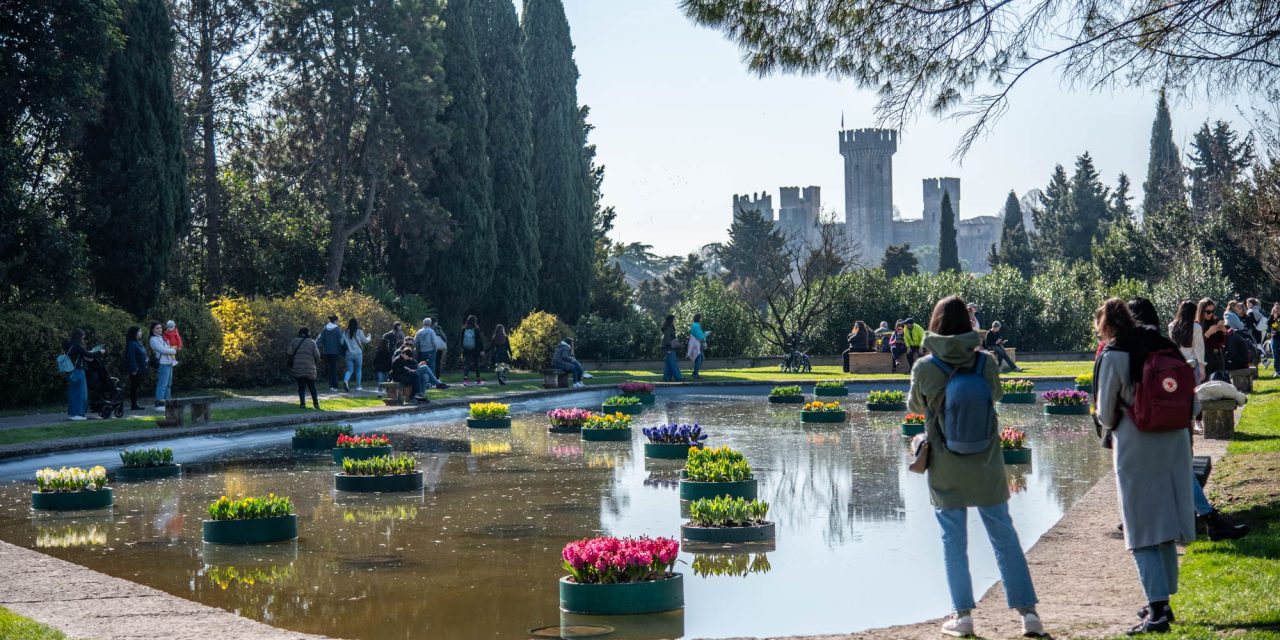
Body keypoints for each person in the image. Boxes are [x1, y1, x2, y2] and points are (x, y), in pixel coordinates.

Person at [907, 296, 1042, 638]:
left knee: (953, 540)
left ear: (934, 325)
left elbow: (914, 405)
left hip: (945, 465)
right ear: (969, 326)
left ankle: (963, 617)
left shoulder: (925, 367)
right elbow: (995, 396)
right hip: (986, 462)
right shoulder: (985, 362)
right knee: (1004, 535)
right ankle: (1028, 616)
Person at [1094, 297, 1196, 634]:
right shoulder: (1163, 345)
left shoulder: (1114, 353)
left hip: (1136, 442)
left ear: (1106, 325)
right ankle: (1164, 601)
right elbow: (1192, 401)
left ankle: (1157, 611)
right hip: (1175, 441)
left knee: (1141, 530)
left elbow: (1106, 412)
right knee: (1165, 523)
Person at [1128, 298, 1248, 543]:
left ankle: (1203, 518)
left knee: (1172, 472)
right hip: (1171, 419)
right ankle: (1208, 519)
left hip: (1143, 424)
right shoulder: (1164, 347)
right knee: (1180, 471)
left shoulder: (1129, 349)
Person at [1168, 301, 1205, 382]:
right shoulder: (1196, 327)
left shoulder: (1171, 326)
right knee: (1195, 390)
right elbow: (1199, 348)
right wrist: (1202, 366)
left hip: (1177, 362)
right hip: (1193, 363)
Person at [286, 327, 321, 409]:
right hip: (310, 367)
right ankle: (316, 404)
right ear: (308, 333)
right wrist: (314, 362)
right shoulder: (312, 342)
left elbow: (289, 352)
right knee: (312, 387)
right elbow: (317, 355)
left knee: (301, 387)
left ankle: (302, 404)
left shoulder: (294, 341)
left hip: (298, 367)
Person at [63, 329, 94, 421]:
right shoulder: (78, 346)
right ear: (79, 337)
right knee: (82, 393)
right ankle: (79, 414)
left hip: (69, 371)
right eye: (83, 337)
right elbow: (89, 354)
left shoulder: (68, 345)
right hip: (78, 371)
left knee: (73, 393)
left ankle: (72, 413)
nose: (83, 340)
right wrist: (100, 352)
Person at [149, 321, 177, 411]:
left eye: (160, 328)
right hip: (162, 363)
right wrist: (173, 351)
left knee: (169, 385)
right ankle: (159, 405)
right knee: (162, 384)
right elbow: (162, 350)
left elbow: (170, 346)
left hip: (169, 363)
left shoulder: (163, 337)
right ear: (153, 330)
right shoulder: (153, 339)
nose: (159, 330)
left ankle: (168, 403)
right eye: (157, 328)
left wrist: (172, 349)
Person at [1198, 298, 1228, 381]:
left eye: (1213, 311)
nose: (1211, 314)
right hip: (1206, 356)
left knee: (1220, 382)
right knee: (1206, 383)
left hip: (1218, 355)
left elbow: (1222, 341)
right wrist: (1208, 333)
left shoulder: (1215, 320)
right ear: (1201, 311)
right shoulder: (1197, 325)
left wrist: (1224, 332)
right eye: (1208, 312)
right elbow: (1198, 344)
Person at [340, 318, 371, 392]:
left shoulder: (345, 332)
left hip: (349, 353)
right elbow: (366, 341)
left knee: (349, 370)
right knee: (358, 370)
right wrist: (369, 336)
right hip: (358, 354)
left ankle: (346, 380)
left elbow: (341, 342)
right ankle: (358, 387)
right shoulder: (359, 332)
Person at [317, 314, 344, 391]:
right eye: (338, 321)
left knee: (330, 369)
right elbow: (341, 341)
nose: (338, 322)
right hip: (335, 352)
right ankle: (334, 386)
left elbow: (319, 339)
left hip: (326, 352)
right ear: (335, 321)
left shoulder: (324, 329)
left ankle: (330, 385)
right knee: (334, 369)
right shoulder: (337, 329)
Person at [124, 326, 147, 411]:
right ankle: (134, 403)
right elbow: (131, 357)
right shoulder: (131, 343)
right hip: (136, 369)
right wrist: (134, 369)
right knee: (134, 386)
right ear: (135, 333)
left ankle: (136, 403)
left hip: (141, 368)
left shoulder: (138, 342)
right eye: (140, 331)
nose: (141, 333)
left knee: (136, 386)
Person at [460, 315, 485, 385]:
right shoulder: (476, 329)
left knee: (467, 364)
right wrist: (481, 350)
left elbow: (461, 340)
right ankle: (478, 380)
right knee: (476, 364)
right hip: (475, 349)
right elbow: (479, 341)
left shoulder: (464, 329)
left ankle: (465, 379)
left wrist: (462, 348)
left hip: (466, 349)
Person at [661, 314, 683, 382]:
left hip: (668, 348)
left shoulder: (669, 327)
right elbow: (667, 339)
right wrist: (670, 347)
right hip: (669, 348)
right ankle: (678, 377)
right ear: (671, 320)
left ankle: (666, 378)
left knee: (669, 364)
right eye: (674, 319)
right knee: (673, 364)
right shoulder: (669, 328)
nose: (674, 321)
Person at [689, 314, 709, 380]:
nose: (702, 319)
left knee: (701, 358)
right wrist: (706, 334)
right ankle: (695, 374)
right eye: (701, 318)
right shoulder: (696, 326)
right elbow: (699, 336)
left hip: (697, 344)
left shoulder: (696, 325)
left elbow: (699, 334)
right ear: (699, 318)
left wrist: (704, 334)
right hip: (697, 344)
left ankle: (695, 372)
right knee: (699, 359)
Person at [1270, 303, 1280, 376]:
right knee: (1275, 355)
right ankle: (1277, 371)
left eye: (1278, 308)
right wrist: (1272, 316)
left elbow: (1274, 326)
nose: (1277, 310)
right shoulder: (1273, 316)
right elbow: (1268, 324)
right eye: (1275, 308)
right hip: (1275, 337)